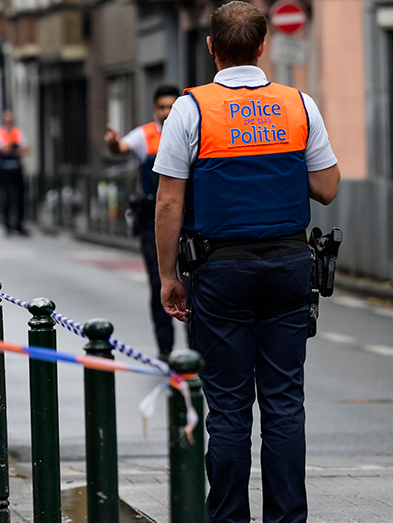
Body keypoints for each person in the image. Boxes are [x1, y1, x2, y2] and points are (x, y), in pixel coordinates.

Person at [153, 3, 340, 522]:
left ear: (211, 48)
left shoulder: (189, 110)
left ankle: (230, 516)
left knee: (229, 405)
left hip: (220, 272)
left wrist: (169, 277)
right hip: (287, 266)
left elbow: (168, 201)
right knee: (283, 403)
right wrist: (273, 164)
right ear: (262, 47)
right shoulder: (298, 104)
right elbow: (326, 187)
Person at [104, 84, 181, 361]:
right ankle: (165, 349)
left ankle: (199, 350)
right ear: (154, 109)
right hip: (153, 222)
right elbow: (121, 147)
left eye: (171, 106)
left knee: (194, 285)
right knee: (159, 282)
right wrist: (114, 143)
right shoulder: (145, 135)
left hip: (187, 221)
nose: (166, 112)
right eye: (161, 107)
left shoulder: (188, 131)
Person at [0, 110, 30, 235]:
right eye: (7, 121)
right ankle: (8, 225)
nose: (9, 123)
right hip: (4, 169)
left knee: (20, 197)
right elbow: (3, 150)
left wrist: (12, 149)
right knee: (7, 197)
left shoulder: (17, 132)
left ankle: (19, 225)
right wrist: (15, 148)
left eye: (11, 121)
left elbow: (26, 149)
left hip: (16, 168)